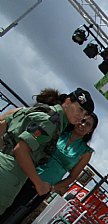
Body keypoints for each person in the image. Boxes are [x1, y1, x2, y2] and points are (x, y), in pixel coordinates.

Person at [0, 110, 99, 224]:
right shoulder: (60, 131)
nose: (83, 125)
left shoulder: (86, 152)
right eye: (83, 120)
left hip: (43, 187)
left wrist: (53, 188)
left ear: (90, 130)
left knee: (16, 214)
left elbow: (72, 177)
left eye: (88, 124)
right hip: (27, 173)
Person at [0, 87, 94, 216]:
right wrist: (39, 183)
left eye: (85, 114)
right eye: (80, 109)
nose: (81, 116)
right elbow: (21, 151)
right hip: (10, 174)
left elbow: (4, 123)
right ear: (67, 102)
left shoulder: (44, 110)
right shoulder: (51, 122)